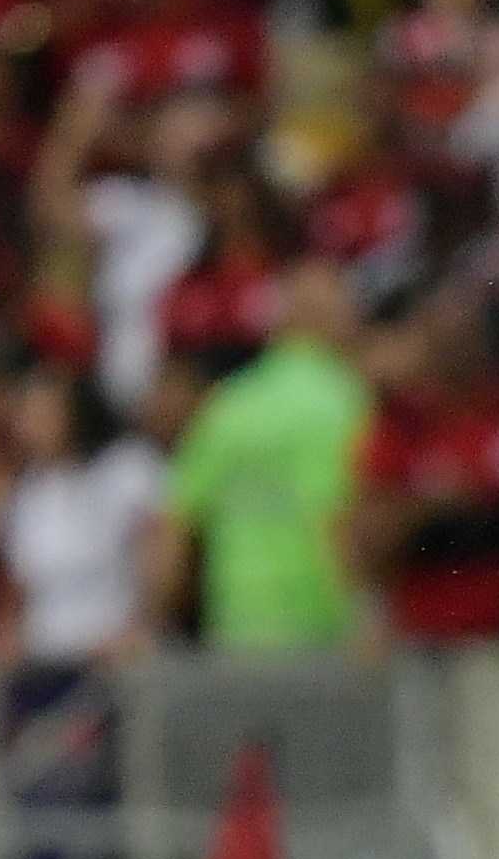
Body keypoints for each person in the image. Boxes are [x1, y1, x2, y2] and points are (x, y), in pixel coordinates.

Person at [150, 260, 370, 651]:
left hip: (237, 625)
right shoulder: (345, 401)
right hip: (323, 628)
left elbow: (174, 528)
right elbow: (341, 518)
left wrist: (152, 624)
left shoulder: (228, 405)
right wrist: (370, 616)